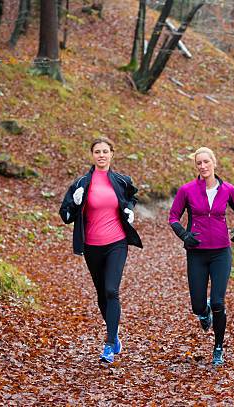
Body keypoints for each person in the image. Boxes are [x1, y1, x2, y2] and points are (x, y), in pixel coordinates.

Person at [59, 137, 142, 363]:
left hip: (117, 242)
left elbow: (131, 197)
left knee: (111, 290)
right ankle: (115, 336)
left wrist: (129, 210)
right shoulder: (81, 183)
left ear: (112, 154)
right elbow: (65, 215)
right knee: (101, 295)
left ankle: (108, 344)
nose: (102, 155)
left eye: (105, 151)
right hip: (92, 245)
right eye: (97, 151)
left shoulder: (121, 180)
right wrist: (76, 204)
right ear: (92, 155)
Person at [168, 147, 234, 366]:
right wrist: (184, 235)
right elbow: (173, 217)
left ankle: (218, 348)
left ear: (214, 162)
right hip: (197, 253)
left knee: (218, 302)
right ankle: (203, 313)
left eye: (206, 162)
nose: (203, 166)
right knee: (197, 305)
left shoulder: (228, 190)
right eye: (199, 163)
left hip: (221, 252)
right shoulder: (187, 190)